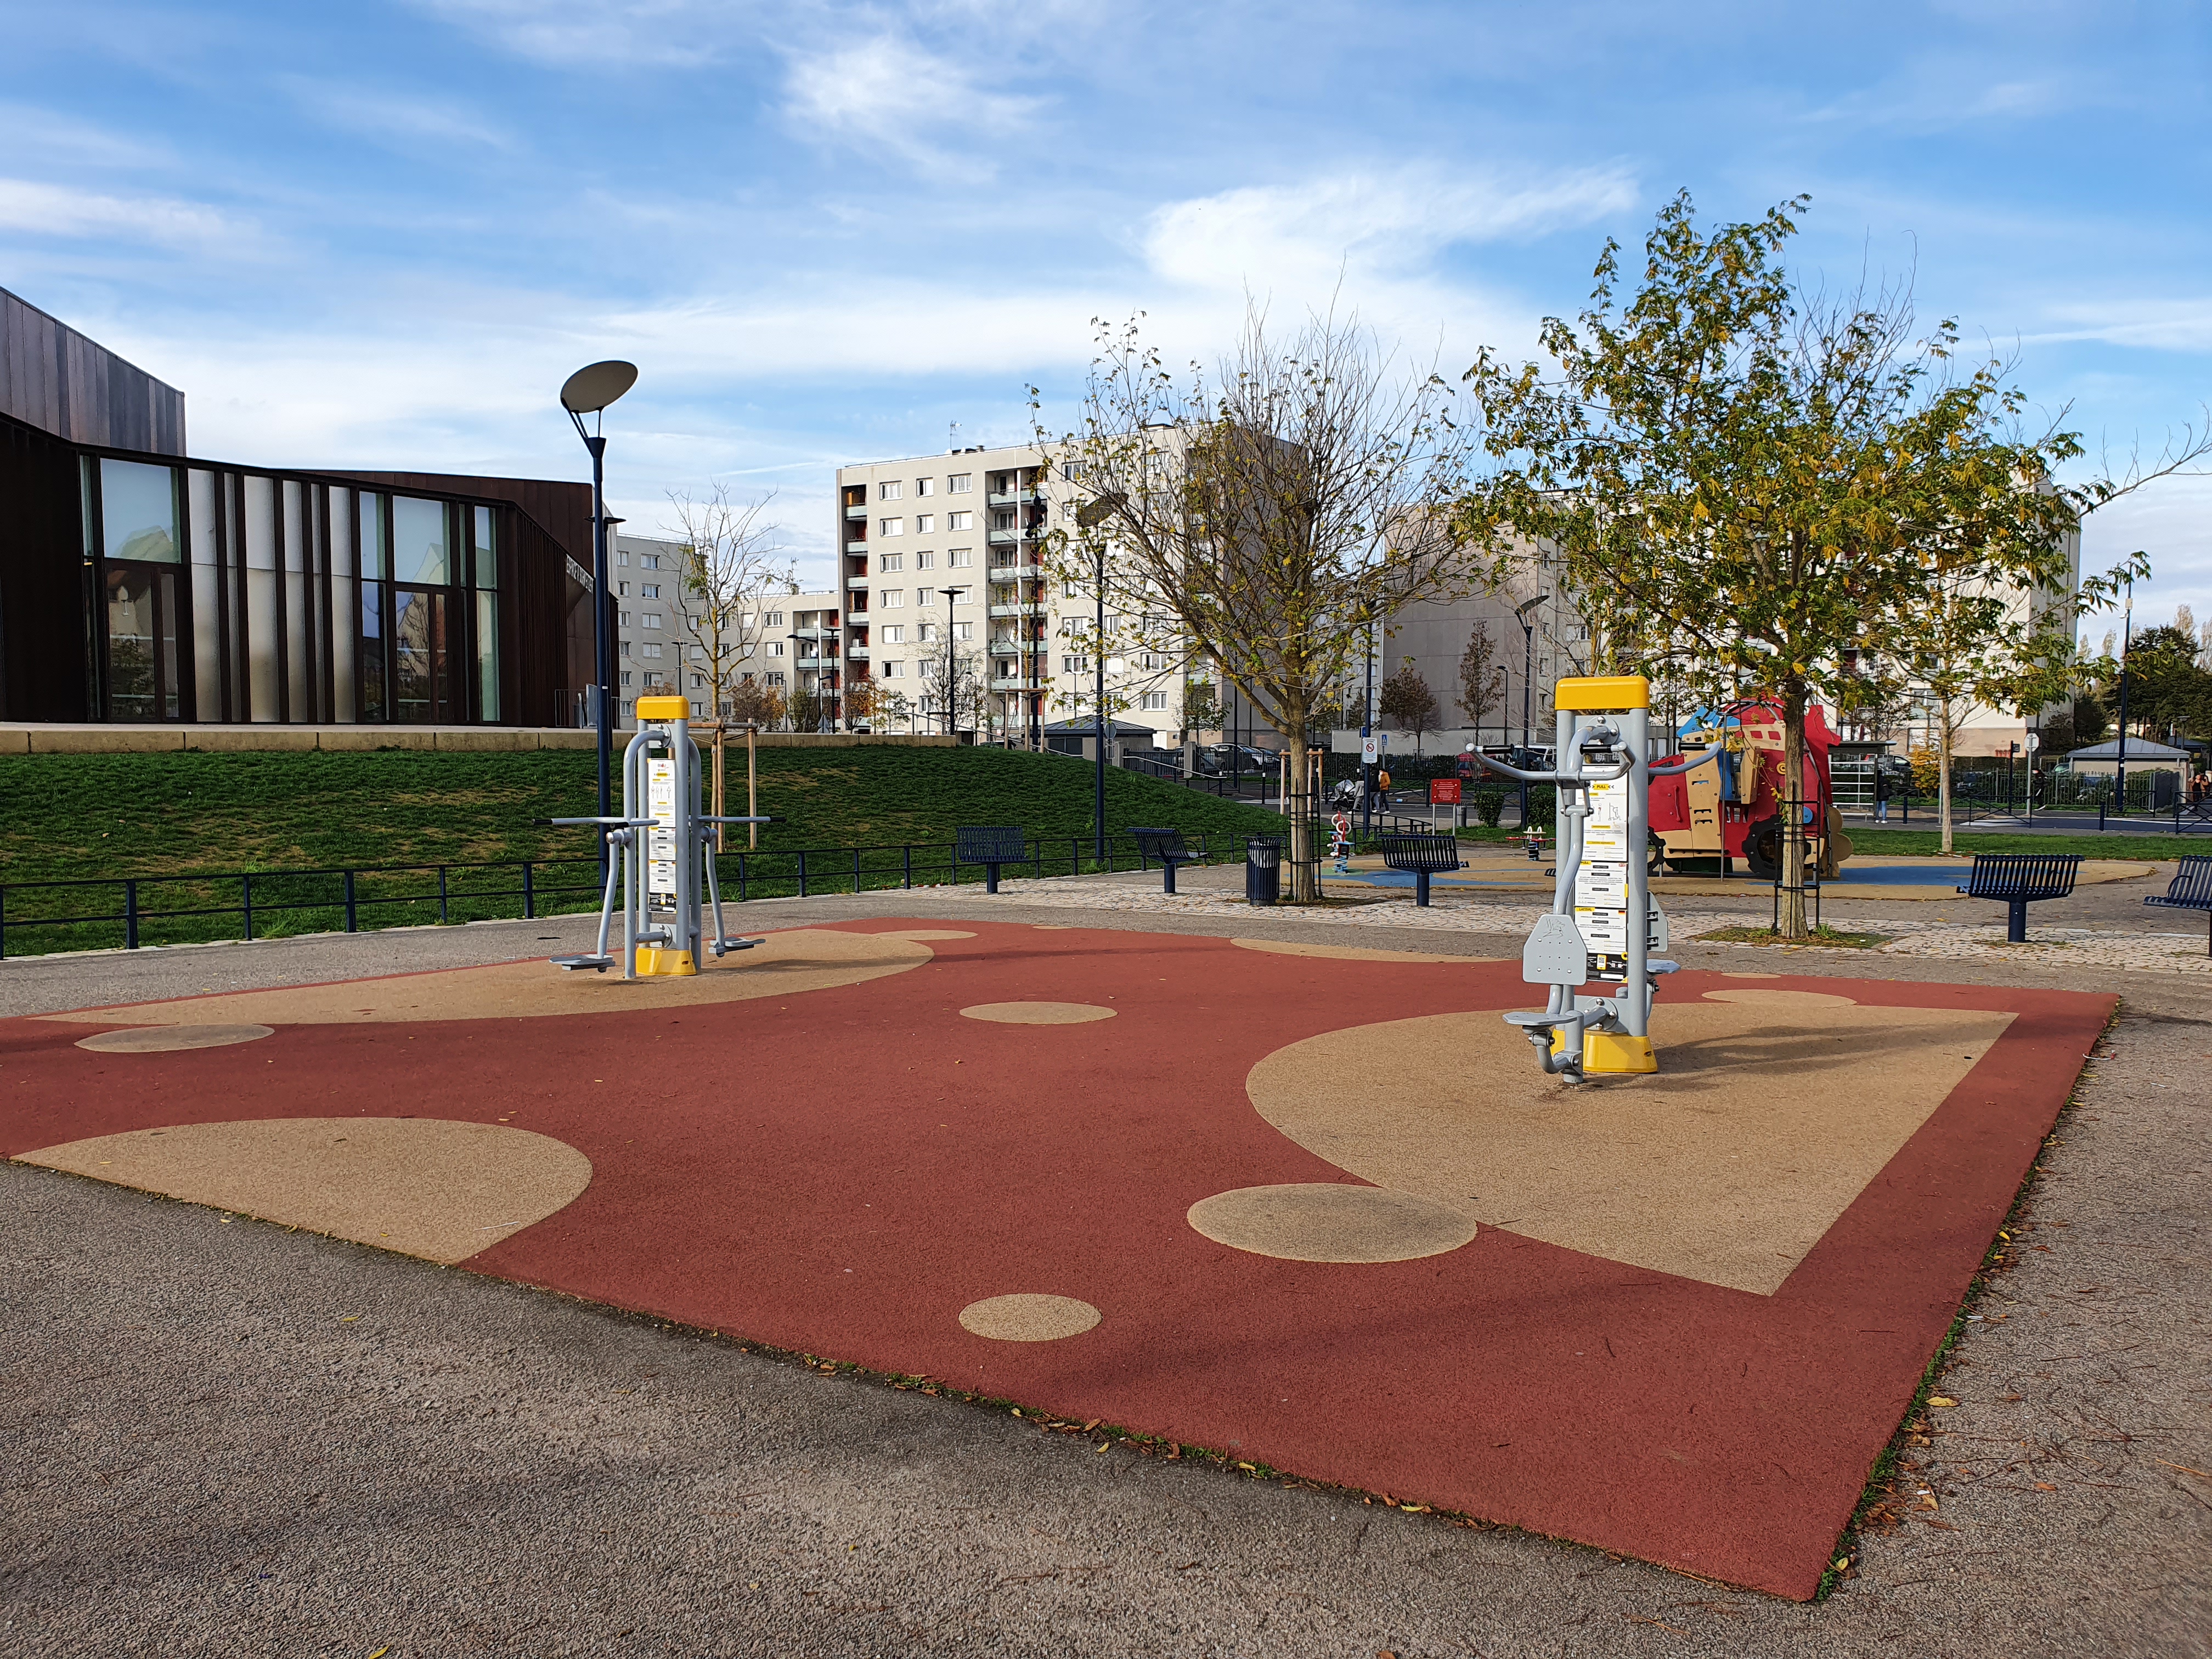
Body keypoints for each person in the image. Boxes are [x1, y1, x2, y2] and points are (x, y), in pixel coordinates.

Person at [1329, 809, 1352, 873]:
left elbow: (1344, 836)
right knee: (1338, 846)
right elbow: (1335, 839)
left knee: (1346, 846)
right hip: (1338, 844)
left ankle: (1343, 865)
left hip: (1342, 843)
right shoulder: (1336, 834)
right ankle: (1337, 866)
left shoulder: (1343, 832)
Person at [1874, 758, 1891, 824]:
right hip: (1884, 795)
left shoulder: (1875, 780)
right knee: (1884, 807)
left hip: (1877, 794)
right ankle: (1884, 819)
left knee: (1877, 807)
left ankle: (1877, 818)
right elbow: (1890, 786)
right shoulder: (1884, 779)